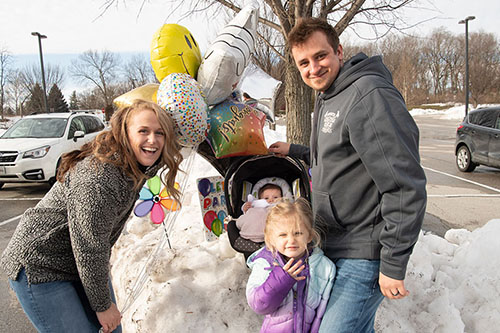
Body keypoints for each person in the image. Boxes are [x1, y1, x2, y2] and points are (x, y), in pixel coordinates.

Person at [268, 18, 427, 332]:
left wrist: (394, 262)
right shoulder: (330, 95)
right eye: (304, 63)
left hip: (364, 252)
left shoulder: (368, 95)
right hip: (336, 244)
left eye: (320, 56)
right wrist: (295, 150)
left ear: (339, 51)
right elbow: (337, 156)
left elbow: (405, 184)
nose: (313, 68)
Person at [1, 100, 183, 333]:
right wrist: (102, 305)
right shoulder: (99, 178)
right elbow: (89, 246)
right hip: (40, 264)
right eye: (143, 131)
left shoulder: (133, 166)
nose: (153, 140)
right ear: (125, 134)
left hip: (77, 262)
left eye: (160, 133)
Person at [246, 198, 336, 332]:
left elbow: (321, 314)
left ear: (310, 235)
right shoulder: (265, 263)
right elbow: (258, 305)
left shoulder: (325, 267)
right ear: (271, 238)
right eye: (283, 234)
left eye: (298, 233)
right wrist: (281, 278)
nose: (291, 240)